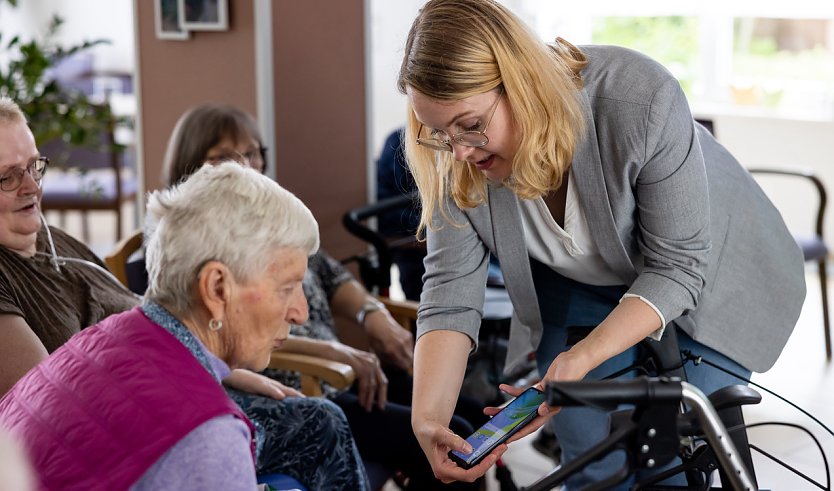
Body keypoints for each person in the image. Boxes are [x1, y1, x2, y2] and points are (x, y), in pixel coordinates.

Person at [396, 1, 806, 489]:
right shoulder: (453, 154)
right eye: (440, 133)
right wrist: (428, 420)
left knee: (672, 458)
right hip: (584, 278)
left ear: (521, 83)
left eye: (471, 124)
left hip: (714, 270)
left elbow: (677, 267)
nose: (459, 150)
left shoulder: (639, 99)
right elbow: (449, 294)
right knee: (590, 452)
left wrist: (584, 358)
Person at [0, 97, 368, 490]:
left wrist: (223, 370)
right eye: (7, 176)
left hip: (155, 385)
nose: (31, 186)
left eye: (35, 167)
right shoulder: (209, 437)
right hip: (136, 417)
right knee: (321, 422)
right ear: (216, 287)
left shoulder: (64, 258)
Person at [164, 103, 503, 491]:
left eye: (254, 152)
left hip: (346, 373)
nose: (248, 165)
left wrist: (372, 314)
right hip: (303, 384)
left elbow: (330, 274)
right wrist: (336, 354)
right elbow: (206, 338)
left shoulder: (269, 217)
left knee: (475, 414)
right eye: (227, 156)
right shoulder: (190, 241)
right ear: (191, 161)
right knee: (454, 437)